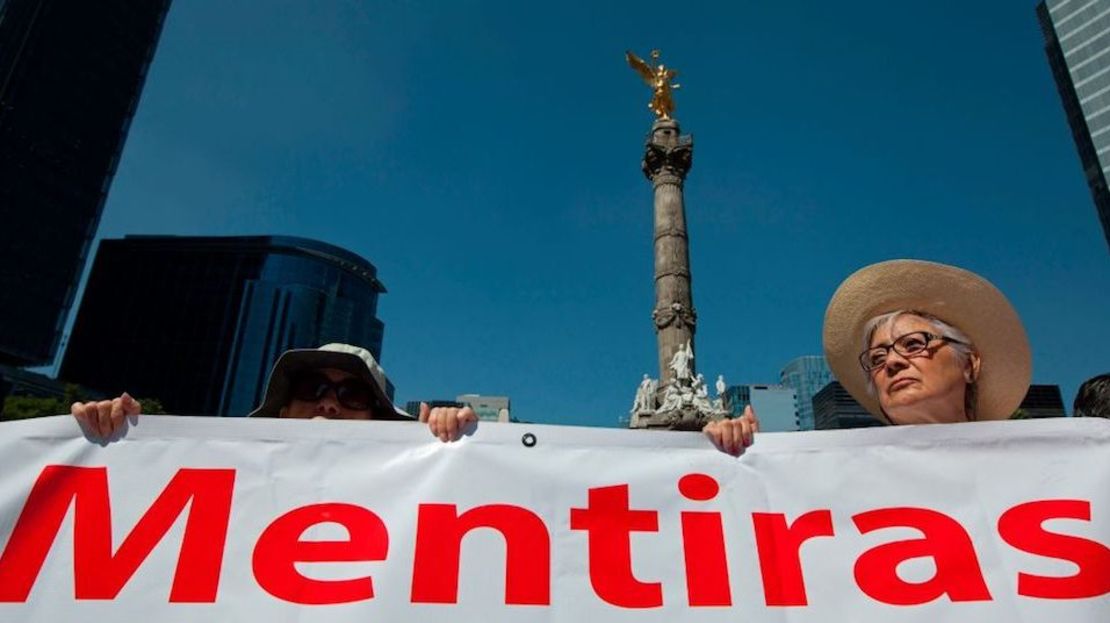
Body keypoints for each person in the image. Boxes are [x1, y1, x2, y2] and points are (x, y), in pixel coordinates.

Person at [703, 259, 1032, 454]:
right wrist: (748, 458)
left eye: (914, 344)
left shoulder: (1038, 461)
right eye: (876, 358)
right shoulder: (844, 472)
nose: (892, 362)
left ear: (971, 364)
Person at [71, 343, 476, 442]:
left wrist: (459, 447)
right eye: (311, 388)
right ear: (282, 411)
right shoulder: (224, 481)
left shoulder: (411, 493)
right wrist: (121, 440)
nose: (329, 404)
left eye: (353, 394)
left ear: (375, 416)